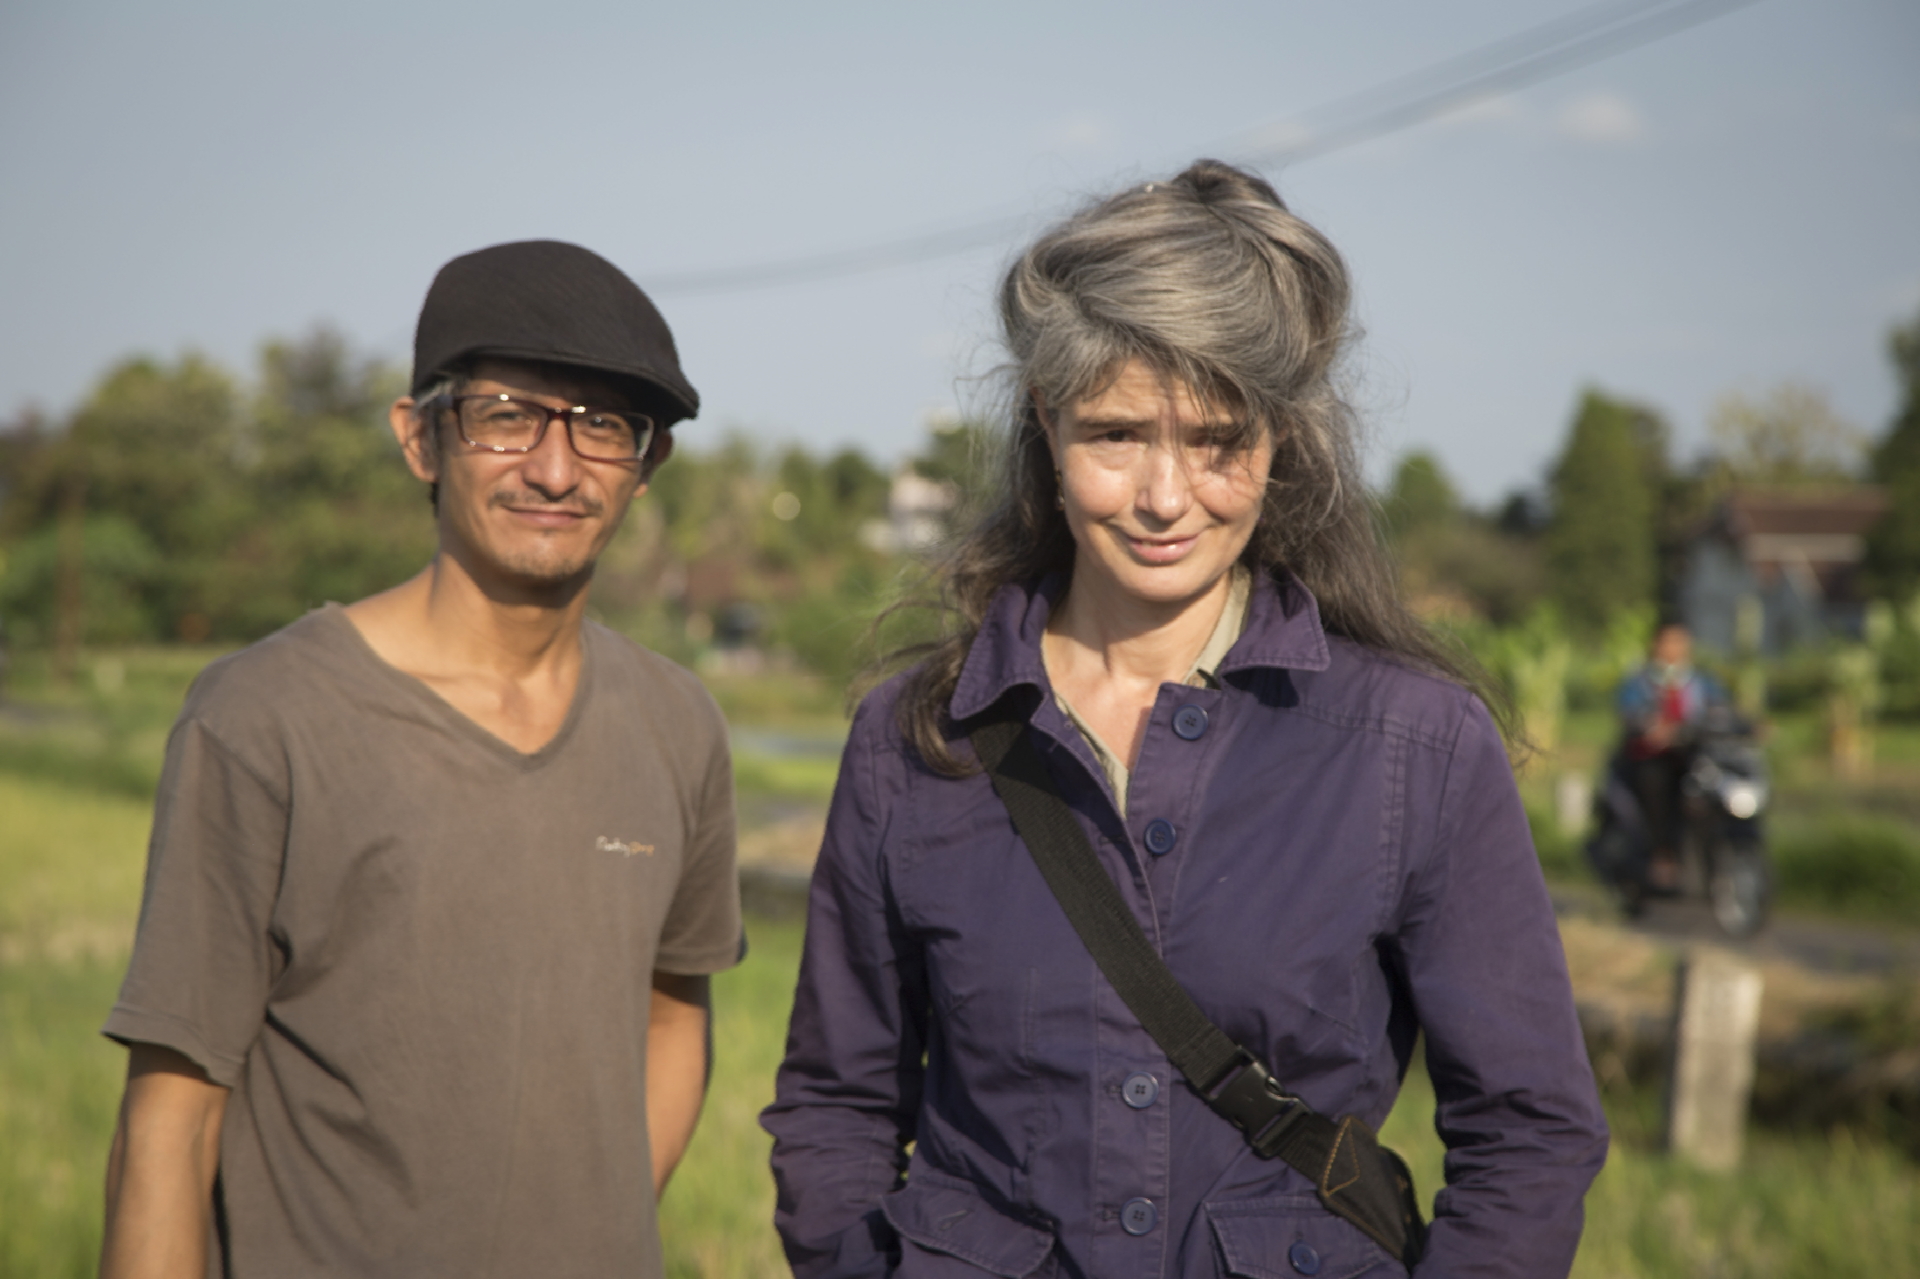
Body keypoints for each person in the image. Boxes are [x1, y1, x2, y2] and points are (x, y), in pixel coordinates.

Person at [763, 162, 1607, 1278]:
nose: (1167, 496)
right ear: (1044, 423)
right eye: (1116, 434)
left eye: (1216, 439)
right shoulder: (914, 744)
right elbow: (836, 1107)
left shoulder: (1418, 747)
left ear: (1282, 440)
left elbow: (1529, 1136)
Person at [99, 240, 742, 1278]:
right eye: (506, 415)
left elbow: (675, 1016)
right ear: (420, 438)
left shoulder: (677, 723)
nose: (554, 466)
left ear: (645, 466)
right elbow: (169, 1117)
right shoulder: (265, 716)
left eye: (602, 427)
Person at [1615, 621, 1725, 888]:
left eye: (1681, 641)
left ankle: (1717, 862)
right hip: (1655, 759)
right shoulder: (1640, 683)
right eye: (1669, 641)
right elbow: (1630, 714)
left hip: (1693, 756)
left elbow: (1723, 710)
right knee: (1656, 786)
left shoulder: (1702, 683)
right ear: (1656, 645)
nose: (1675, 648)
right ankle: (1661, 855)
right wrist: (1650, 727)